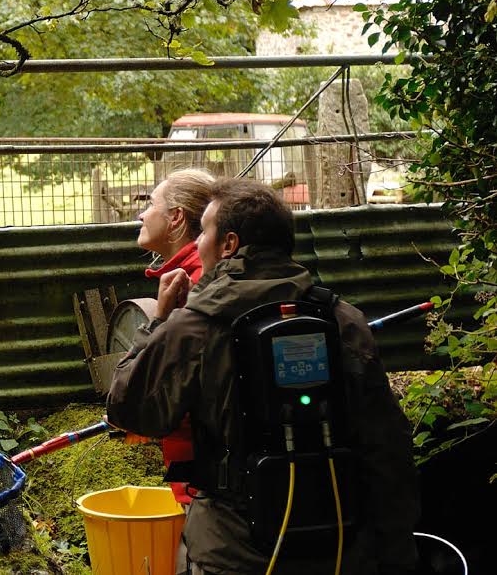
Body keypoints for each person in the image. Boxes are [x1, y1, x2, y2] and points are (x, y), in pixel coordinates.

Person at [108, 178, 419, 574]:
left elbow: (128, 409)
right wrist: (395, 551)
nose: (198, 243)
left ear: (229, 245)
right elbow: (387, 446)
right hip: (340, 543)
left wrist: (157, 324)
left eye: (203, 231)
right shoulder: (344, 320)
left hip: (231, 551)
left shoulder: (194, 328)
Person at [135, 168, 214, 513]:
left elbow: (168, 383)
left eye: (151, 204)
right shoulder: (198, 272)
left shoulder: (196, 283)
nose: (142, 213)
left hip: (205, 474)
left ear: (176, 218)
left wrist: (158, 322)